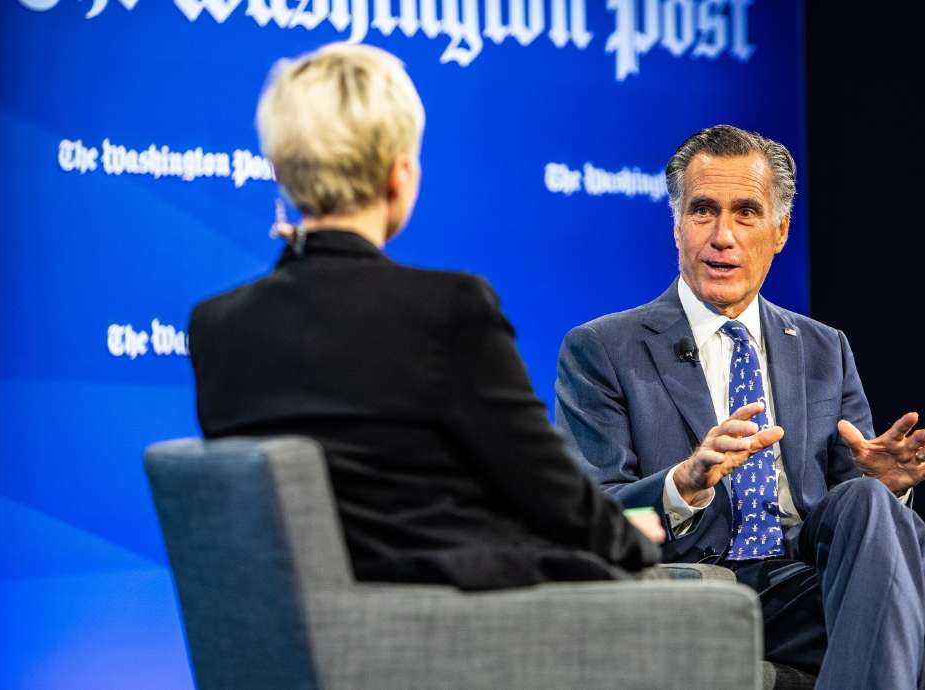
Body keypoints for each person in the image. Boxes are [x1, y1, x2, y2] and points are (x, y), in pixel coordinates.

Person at [189, 43, 662, 591]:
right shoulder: (448, 309)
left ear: (284, 174)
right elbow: (549, 491)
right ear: (400, 174)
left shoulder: (215, 325)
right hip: (450, 615)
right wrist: (632, 539)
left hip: (299, 620)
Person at [555, 125, 925, 688]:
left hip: (805, 581)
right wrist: (683, 484)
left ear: (780, 231)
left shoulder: (824, 348)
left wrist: (885, 485)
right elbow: (589, 517)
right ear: (677, 226)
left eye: (746, 213)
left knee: (868, 501)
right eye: (703, 211)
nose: (722, 236)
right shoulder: (603, 348)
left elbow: (856, 519)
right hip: (697, 583)